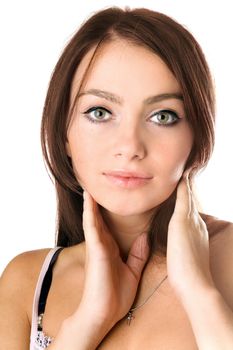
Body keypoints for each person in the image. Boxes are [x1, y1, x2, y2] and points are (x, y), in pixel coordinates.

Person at [0, 6, 233, 349]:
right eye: (100, 112)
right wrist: (89, 321)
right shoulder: (27, 282)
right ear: (63, 132)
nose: (129, 146)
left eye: (163, 115)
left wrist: (200, 293)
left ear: (197, 136)